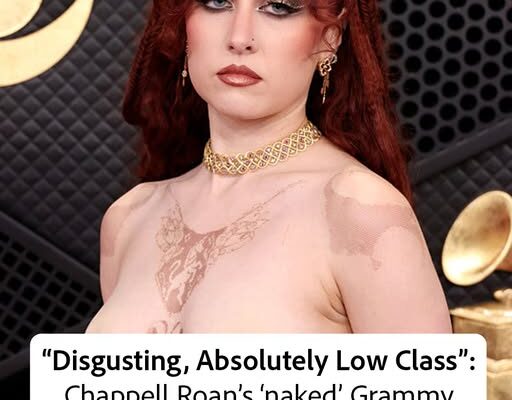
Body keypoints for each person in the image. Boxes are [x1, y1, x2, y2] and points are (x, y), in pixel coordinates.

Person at [85, 0, 453, 334]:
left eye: (278, 7)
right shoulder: (130, 217)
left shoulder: (359, 209)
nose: (239, 38)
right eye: (217, 3)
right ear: (182, 25)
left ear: (329, 37)